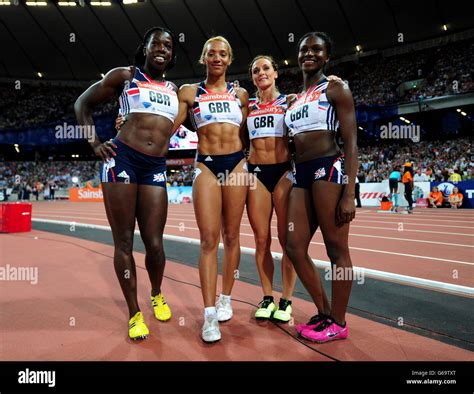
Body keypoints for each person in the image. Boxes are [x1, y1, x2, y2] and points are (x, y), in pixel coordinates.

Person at [74, 27, 178, 340]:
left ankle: (156, 293)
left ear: (172, 54)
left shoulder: (174, 88)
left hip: (155, 167)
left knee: (155, 243)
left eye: (168, 45)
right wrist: (94, 143)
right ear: (144, 48)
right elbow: (82, 104)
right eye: (155, 43)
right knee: (123, 242)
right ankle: (134, 313)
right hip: (122, 160)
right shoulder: (126, 76)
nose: (161, 49)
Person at [173, 36, 249, 342]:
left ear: (229, 59)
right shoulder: (190, 92)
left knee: (232, 236)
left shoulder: (241, 94)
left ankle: (225, 299)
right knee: (208, 239)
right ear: (203, 58)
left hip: (237, 165)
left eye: (222, 54)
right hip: (205, 164)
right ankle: (208, 316)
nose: (216, 58)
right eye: (211, 54)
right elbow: (170, 123)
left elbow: (252, 127)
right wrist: (131, 119)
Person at [285, 32, 358, 343]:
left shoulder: (336, 88)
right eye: (304, 50)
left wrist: (349, 192)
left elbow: (352, 142)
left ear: (327, 56)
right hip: (300, 174)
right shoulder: (295, 98)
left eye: (316, 50)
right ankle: (326, 312)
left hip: (327, 168)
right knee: (293, 245)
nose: (308, 54)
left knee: (335, 249)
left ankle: (339, 322)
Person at [245, 55, 296, 322]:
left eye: (266, 68)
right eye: (255, 70)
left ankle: (286, 300)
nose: (261, 73)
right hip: (256, 175)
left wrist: (333, 80)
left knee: (287, 240)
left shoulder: (289, 102)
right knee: (261, 240)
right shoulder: (247, 105)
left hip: (283, 172)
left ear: (276, 72)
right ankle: (267, 296)